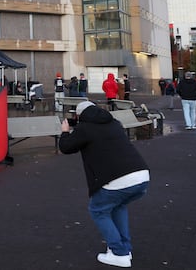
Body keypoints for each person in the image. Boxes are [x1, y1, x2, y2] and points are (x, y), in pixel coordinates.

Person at [59, 101, 150, 268]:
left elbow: (66, 147)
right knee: (118, 207)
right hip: (141, 175)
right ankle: (125, 249)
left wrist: (65, 132)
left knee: (98, 210)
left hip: (118, 179)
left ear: (79, 116)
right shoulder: (114, 123)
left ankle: (119, 253)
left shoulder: (84, 128)